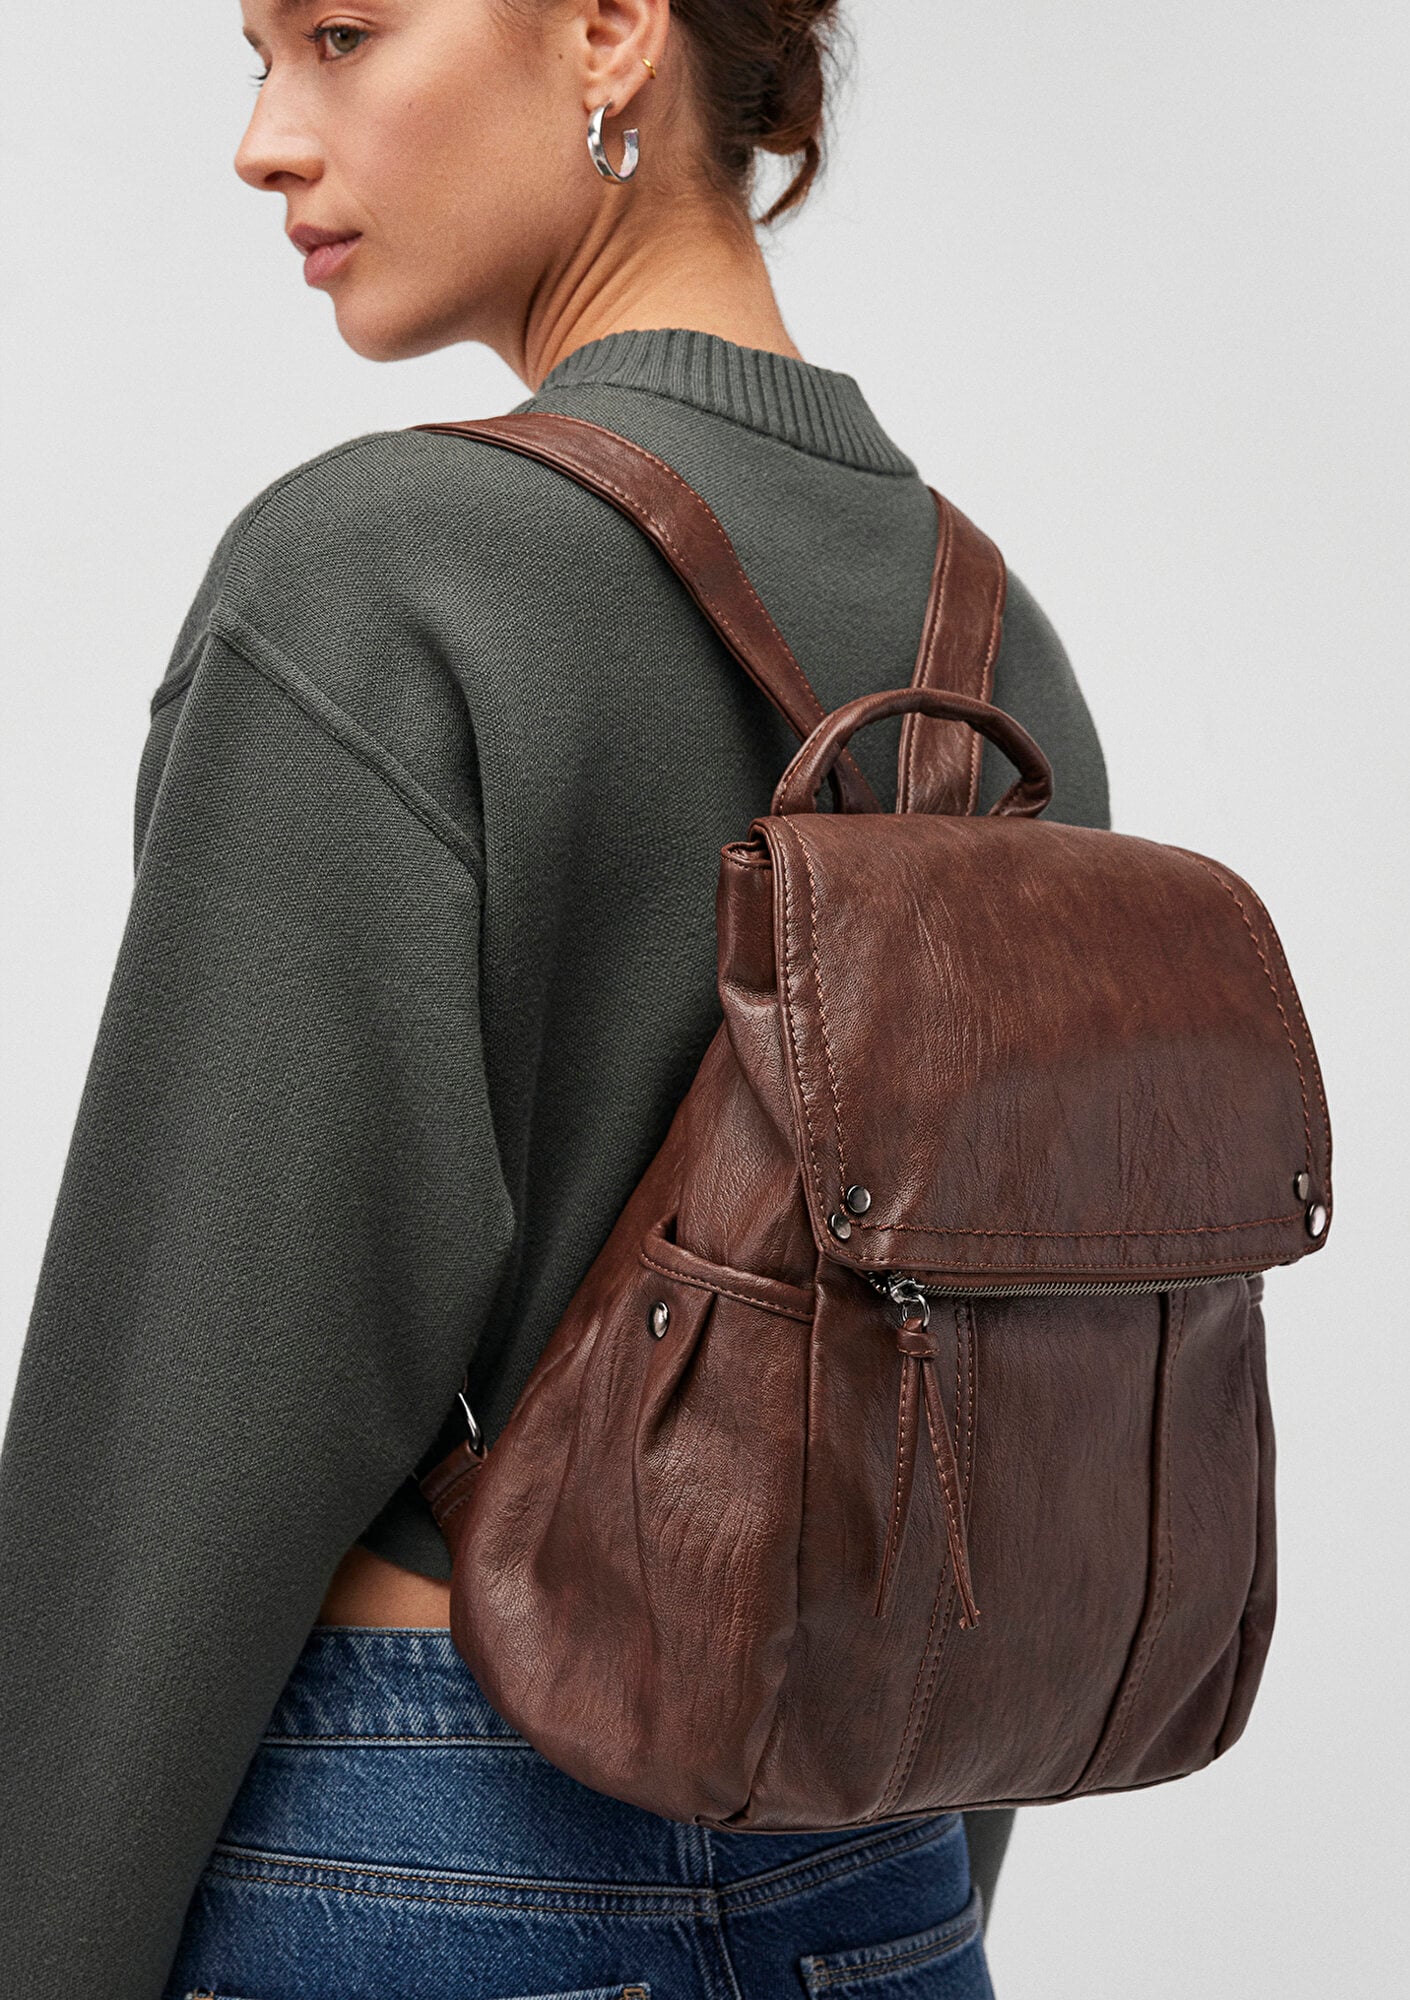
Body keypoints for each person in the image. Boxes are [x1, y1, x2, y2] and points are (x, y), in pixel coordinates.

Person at [0, 3, 1109, 1995]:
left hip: (416, 1862)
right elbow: (995, 1417)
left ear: (608, 29)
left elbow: (190, 1412)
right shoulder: (999, 651)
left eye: (343, 33)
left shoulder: (383, 573)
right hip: (884, 1880)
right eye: (254, 57)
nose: (265, 139)